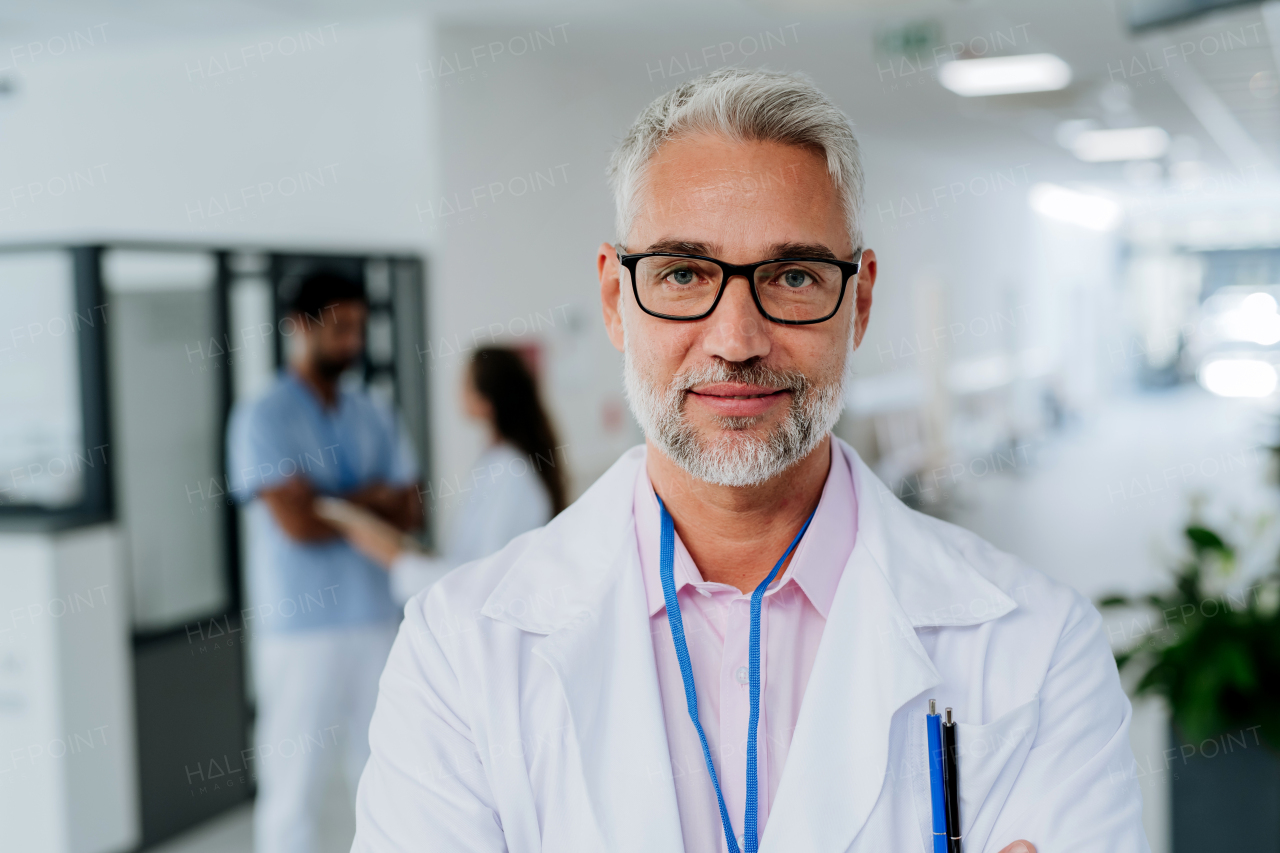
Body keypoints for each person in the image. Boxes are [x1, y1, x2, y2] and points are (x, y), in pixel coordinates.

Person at [351, 69, 1149, 853]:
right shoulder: (456, 654)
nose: (736, 340)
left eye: (794, 275)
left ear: (860, 301)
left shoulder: (1041, 647)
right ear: (614, 299)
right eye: (685, 273)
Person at [226, 271, 420, 853]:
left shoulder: (374, 410)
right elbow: (298, 524)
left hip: (376, 620)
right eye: (338, 327)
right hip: (300, 632)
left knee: (388, 778)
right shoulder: (262, 417)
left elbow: (410, 509)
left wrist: (327, 498)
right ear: (298, 327)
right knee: (293, 793)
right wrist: (366, 499)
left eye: (358, 327)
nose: (351, 341)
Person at [321, 346, 567, 604]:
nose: (457, 392)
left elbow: (484, 580)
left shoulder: (511, 473)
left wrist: (395, 557)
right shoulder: (495, 463)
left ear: (487, 400)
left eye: (465, 382)